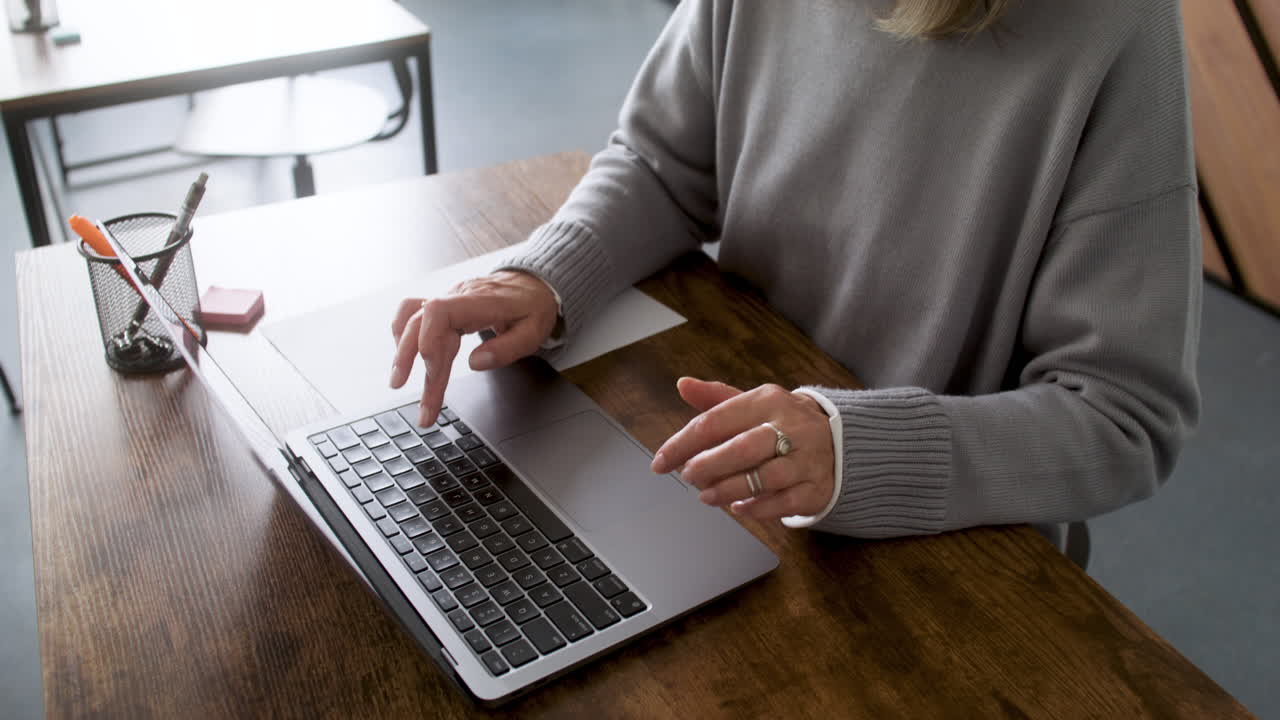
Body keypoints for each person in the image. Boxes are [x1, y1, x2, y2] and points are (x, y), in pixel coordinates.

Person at [388, 0, 1201, 543]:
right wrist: (548, 273)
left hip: (937, 537)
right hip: (724, 455)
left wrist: (852, 450)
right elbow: (664, 163)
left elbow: (1123, 418)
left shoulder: (1117, 27)